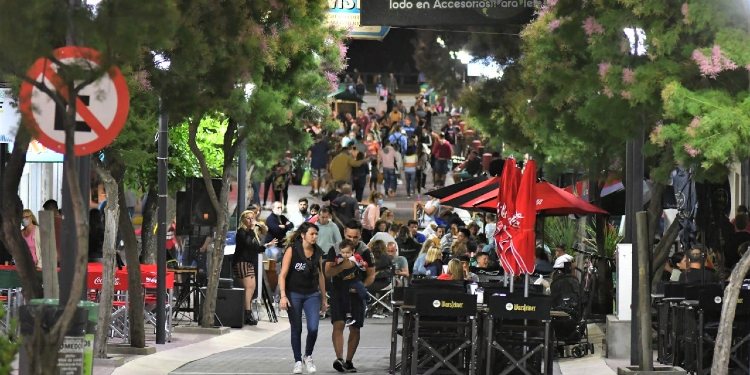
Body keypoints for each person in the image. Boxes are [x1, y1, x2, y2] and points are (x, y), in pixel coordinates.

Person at [324, 220, 375, 373]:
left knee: (355, 328)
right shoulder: (335, 248)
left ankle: (348, 361)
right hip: (338, 291)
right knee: (338, 324)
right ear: (344, 233)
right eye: (349, 236)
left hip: (356, 293)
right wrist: (342, 266)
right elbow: (327, 272)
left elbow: (371, 274)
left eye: (355, 237)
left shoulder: (365, 250)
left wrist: (361, 288)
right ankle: (339, 359)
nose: (352, 240)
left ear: (360, 235)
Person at [278, 222, 327, 374]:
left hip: (312, 294)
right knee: (297, 328)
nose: (315, 237)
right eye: (312, 234)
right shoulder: (292, 250)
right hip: (294, 294)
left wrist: (324, 299)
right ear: (303, 235)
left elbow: (320, 276)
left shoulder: (317, 251)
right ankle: (297, 360)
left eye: (316, 234)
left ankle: (308, 355)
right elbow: (283, 275)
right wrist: (283, 296)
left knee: (313, 328)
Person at [233, 209, 268, 326]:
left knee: (251, 288)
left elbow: (256, 247)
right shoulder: (241, 232)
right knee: (249, 288)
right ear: (243, 220)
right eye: (248, 218)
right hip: (242, 262)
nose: (251, 220)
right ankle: (247, 314)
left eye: (252, 218)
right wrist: (252, 230)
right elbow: (247, 243)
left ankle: (247, 312)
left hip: (249, 262)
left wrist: (266, 245)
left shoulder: (250, 232)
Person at [332, 239, 369, 327]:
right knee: (345, 296)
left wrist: (363, 264)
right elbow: (334, 268)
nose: (345, 255)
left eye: (348, 253)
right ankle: (348, 315)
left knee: (360, 287)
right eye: (343, 252)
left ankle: (367, 299)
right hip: (344, 281)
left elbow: (363, 267)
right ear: (340, 251)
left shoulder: (356, 257)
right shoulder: (339, 258)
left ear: (353, 251)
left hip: (354, 279)